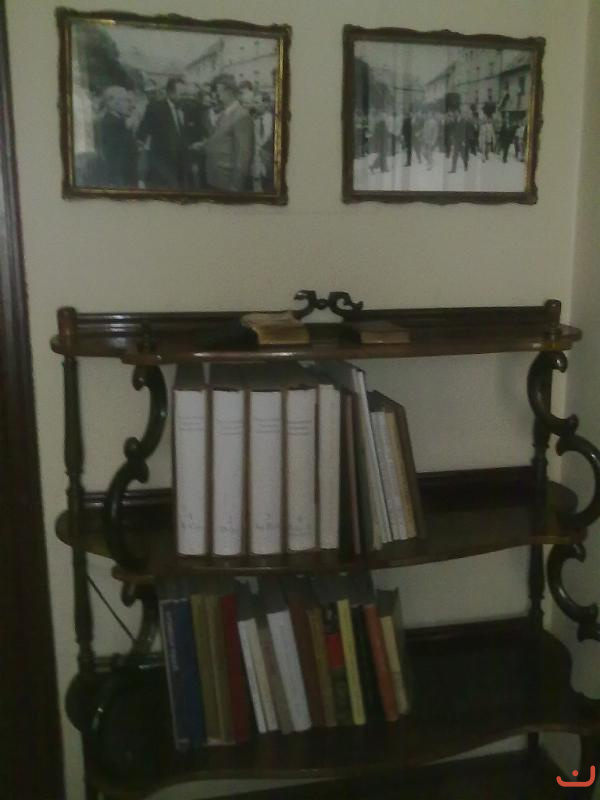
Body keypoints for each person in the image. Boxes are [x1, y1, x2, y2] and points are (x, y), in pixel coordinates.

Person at [194, 73, 255, 192]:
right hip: (216, 179)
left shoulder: (241, 116)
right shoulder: (225, 114)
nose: (216, 97)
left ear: (229, 92)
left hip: (227, 183)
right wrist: (204, 145)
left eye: (218, 93)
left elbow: (243, 155)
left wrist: (236, 186)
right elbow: (222, 141)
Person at [136, 76, 189, 189]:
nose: (185, 97)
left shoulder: (186, 108)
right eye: (182, 94)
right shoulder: (155, 108)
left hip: (181, 164)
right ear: (170, 93)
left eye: (185, 93)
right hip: (163, 166)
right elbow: (142, 133)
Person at [96, 85, 138, 187]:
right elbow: (129, 123)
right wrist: (134, 112)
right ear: (113, 103)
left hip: (125, 173)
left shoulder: (117, 119)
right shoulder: (111, 121)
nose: (129, 105)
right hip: (120, 175)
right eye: (126, 101)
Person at [252, 92, 274, 192]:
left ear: (266, 104)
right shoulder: (254, 119)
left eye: (256, 102)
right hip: (256, 164)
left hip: (269, 163)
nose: (254, 105)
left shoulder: (275, 120)